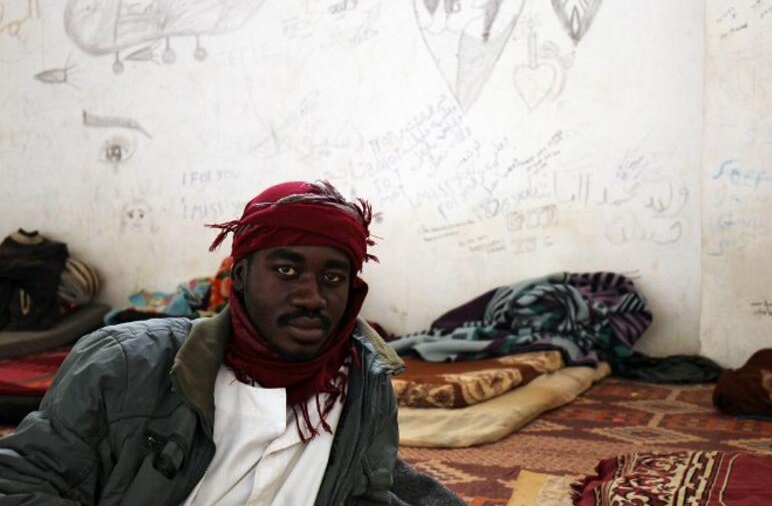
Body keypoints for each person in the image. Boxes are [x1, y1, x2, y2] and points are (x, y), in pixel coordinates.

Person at [0, 180, 464, 505]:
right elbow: (19, 482)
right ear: (240, 277)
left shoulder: (365, 383)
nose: (312, 296)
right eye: (286, 270)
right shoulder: (125, 364)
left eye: (333, 277)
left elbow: (364, 493)